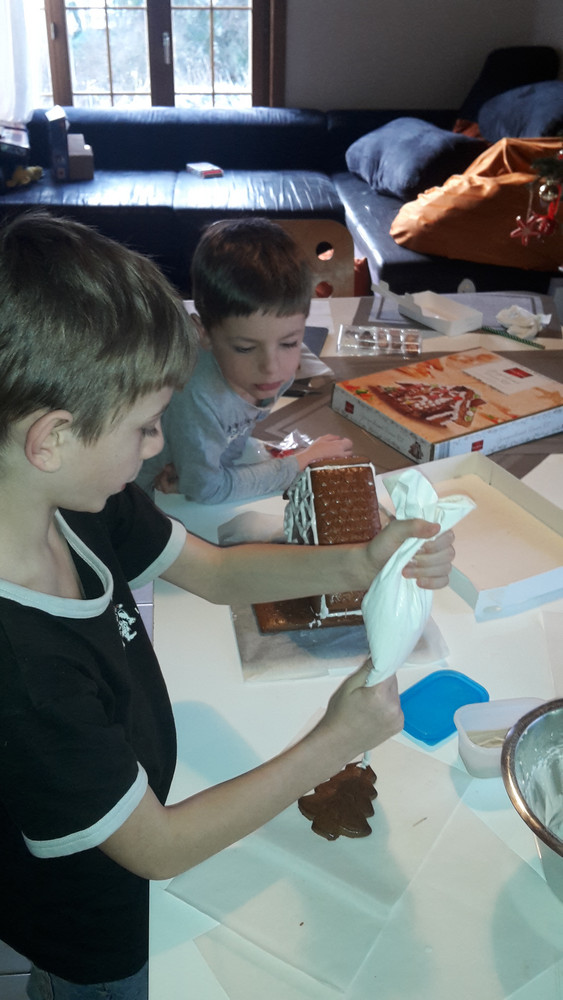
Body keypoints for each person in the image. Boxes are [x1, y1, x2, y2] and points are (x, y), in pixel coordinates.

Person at [0, 212, 455, 1000]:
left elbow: (211, 571)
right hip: (96, 917)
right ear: (53, 438)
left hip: (134, 804)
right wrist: (334, 741)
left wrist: (363, 560)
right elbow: (158, 850)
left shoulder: (74, 502)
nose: (157, 450)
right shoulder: (24, 672)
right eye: (146, 428)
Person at [135, 217, 354, 504]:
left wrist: (195, 470)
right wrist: (300, 461)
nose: (271, 369)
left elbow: (220, 456)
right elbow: (207, 490)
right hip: (136, 494)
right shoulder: (198, 397)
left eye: (289, 343)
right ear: (204, 334)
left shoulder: (267, 371)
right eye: (245, 348)